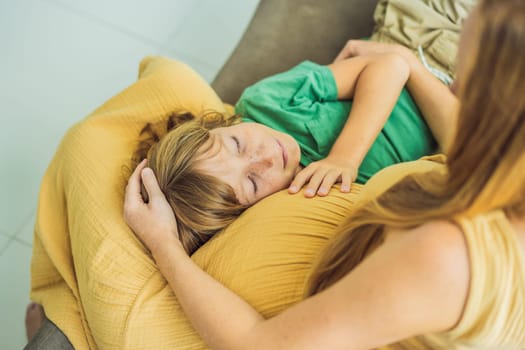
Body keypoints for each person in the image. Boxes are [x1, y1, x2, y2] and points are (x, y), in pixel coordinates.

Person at [123, 0, 525, 348]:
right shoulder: (448, 249)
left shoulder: (449, 243)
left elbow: (397, 70)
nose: (263, 158)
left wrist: (403, 65)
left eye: (464, 82)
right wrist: (405, 63)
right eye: (251, 181)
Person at [135, 52, 438, 254]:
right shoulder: (301, 201)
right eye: (253, 182)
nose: (265, 157)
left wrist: (344, 157)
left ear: (215, 125)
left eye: (237, 143)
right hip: (454, 124)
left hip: (431, 59)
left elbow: (391, 65)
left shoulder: (264, 103)